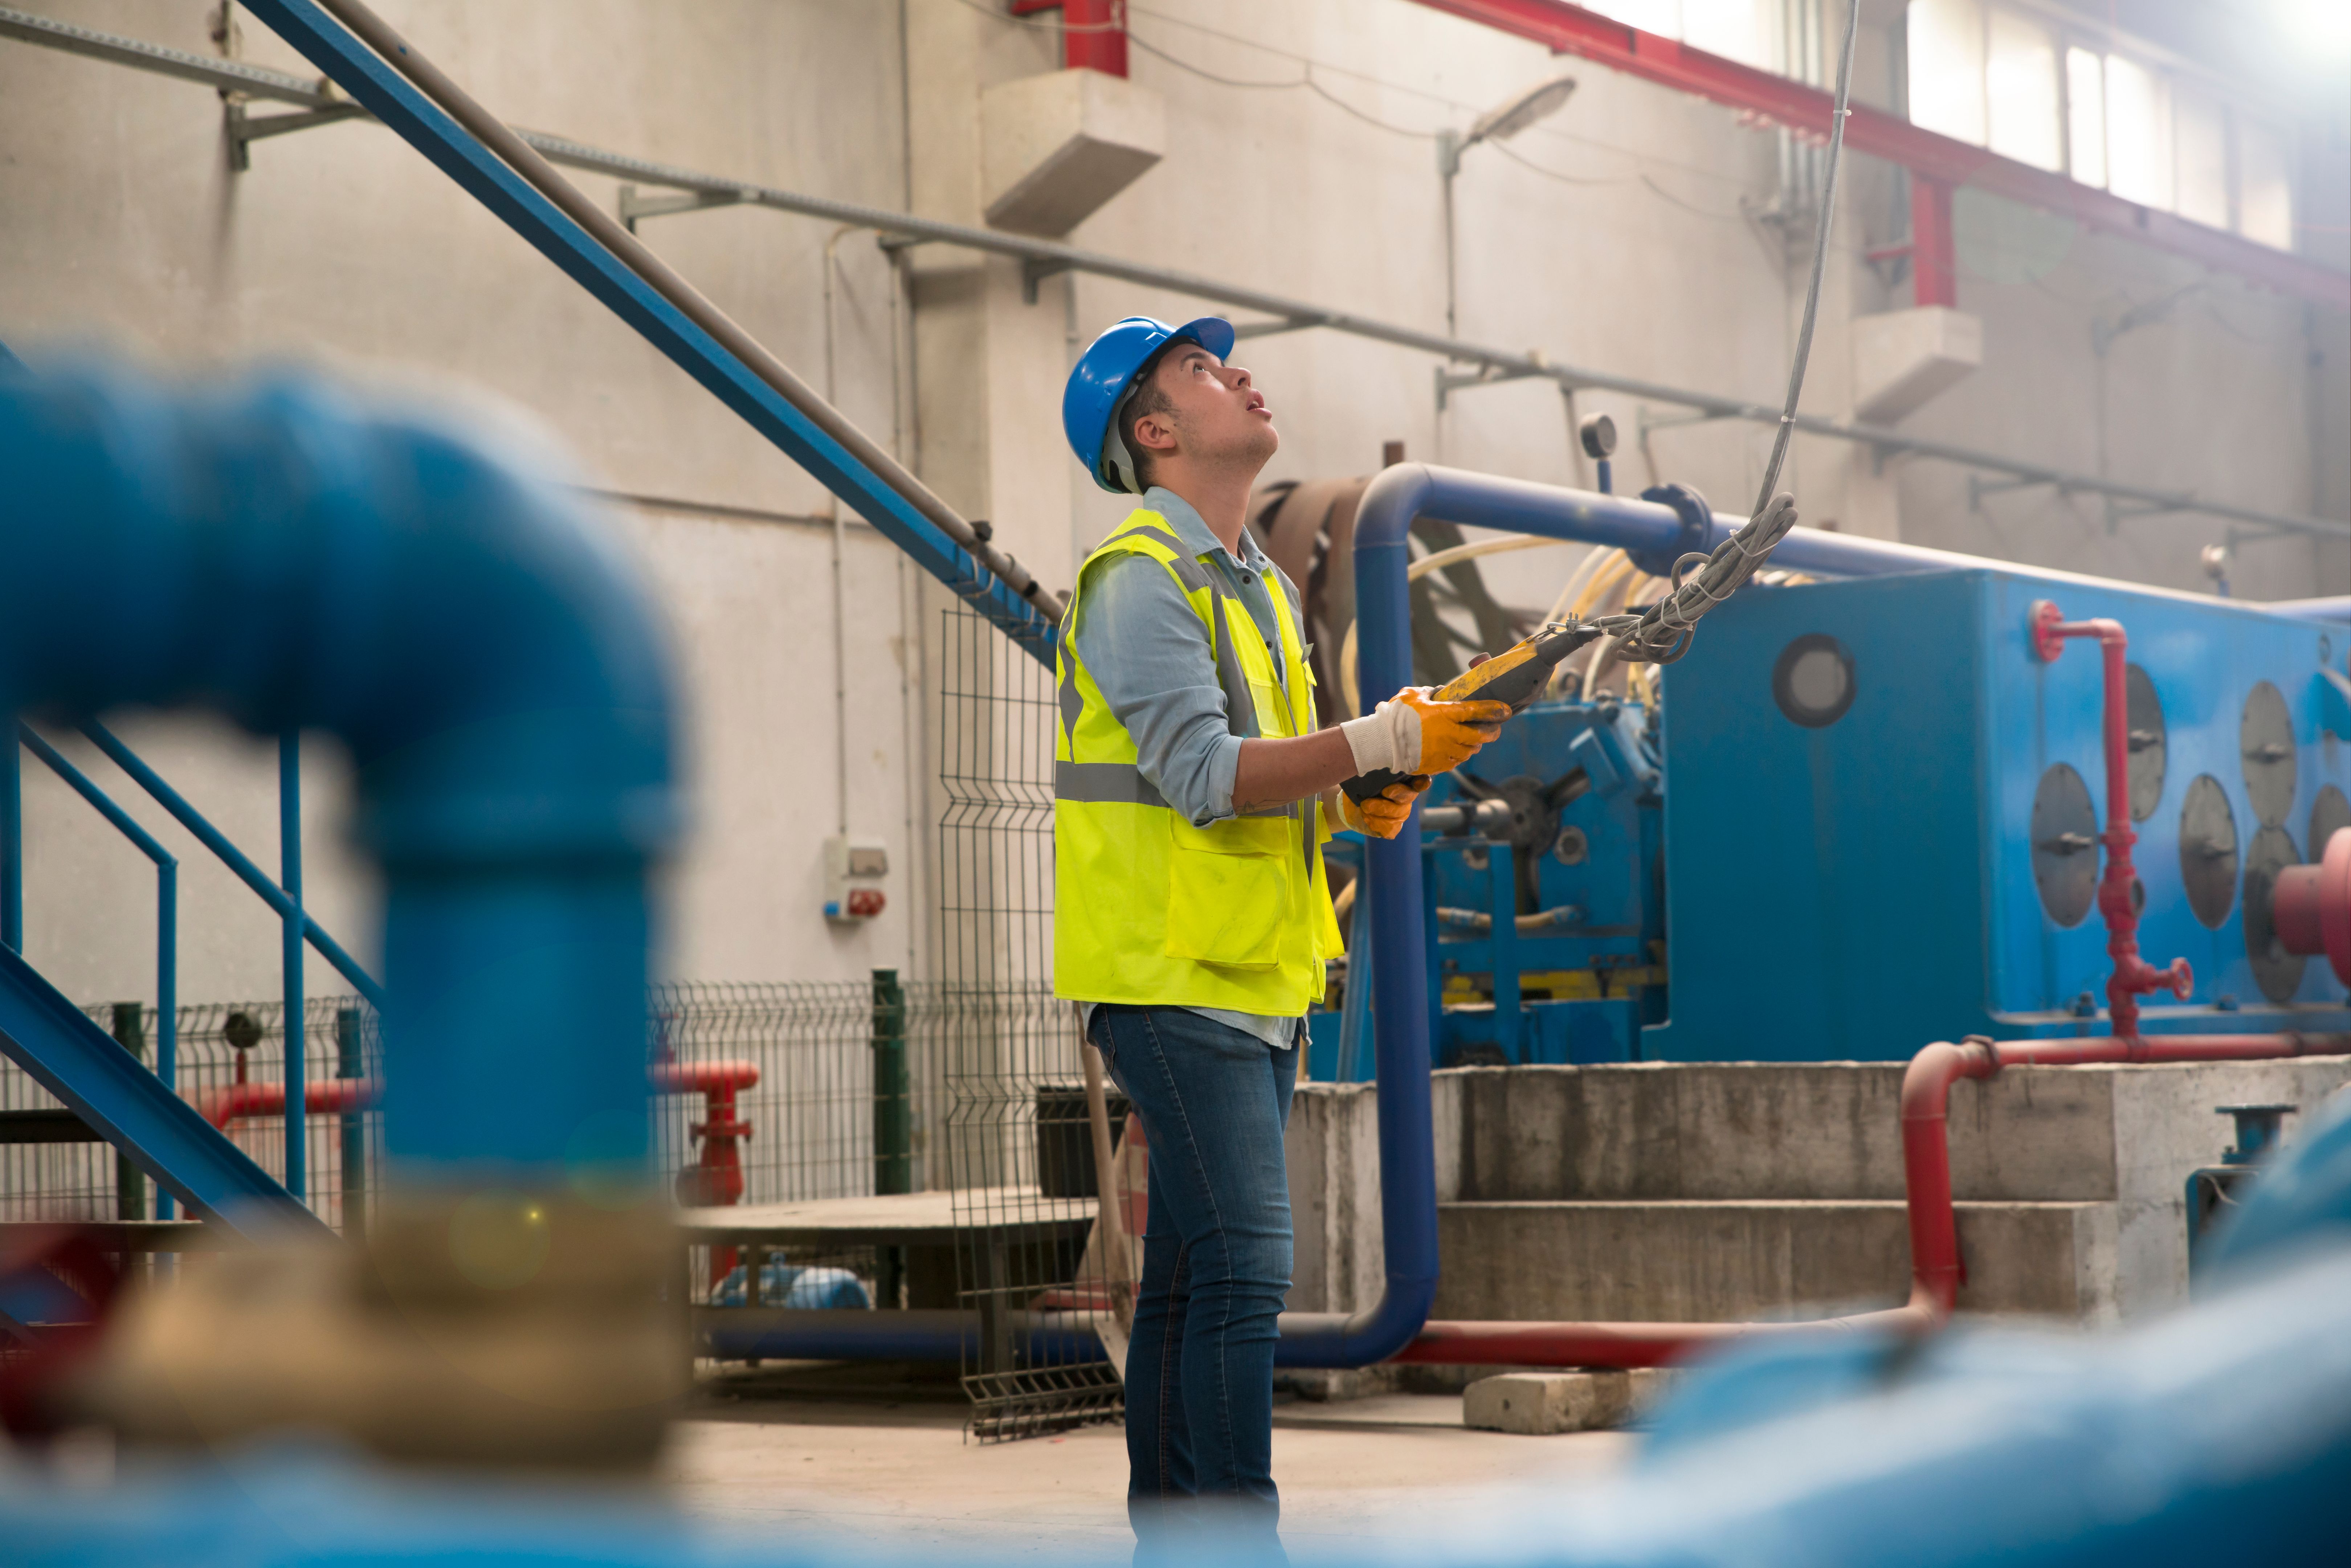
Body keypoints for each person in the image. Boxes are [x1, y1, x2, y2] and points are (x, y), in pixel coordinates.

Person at [1053, 315, 1507, 1561]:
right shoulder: (1143, 574)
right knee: (1251, 1267)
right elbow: (1203, 776)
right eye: (1202, 370)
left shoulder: (1253, 582)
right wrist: (1379, 743)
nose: (1239, 375)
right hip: (1168, 973)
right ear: (1152, 432)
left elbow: (1270, 775)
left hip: (1253, 972)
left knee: (1201, 1274)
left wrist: (1368, 785)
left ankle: (1180, 1541)